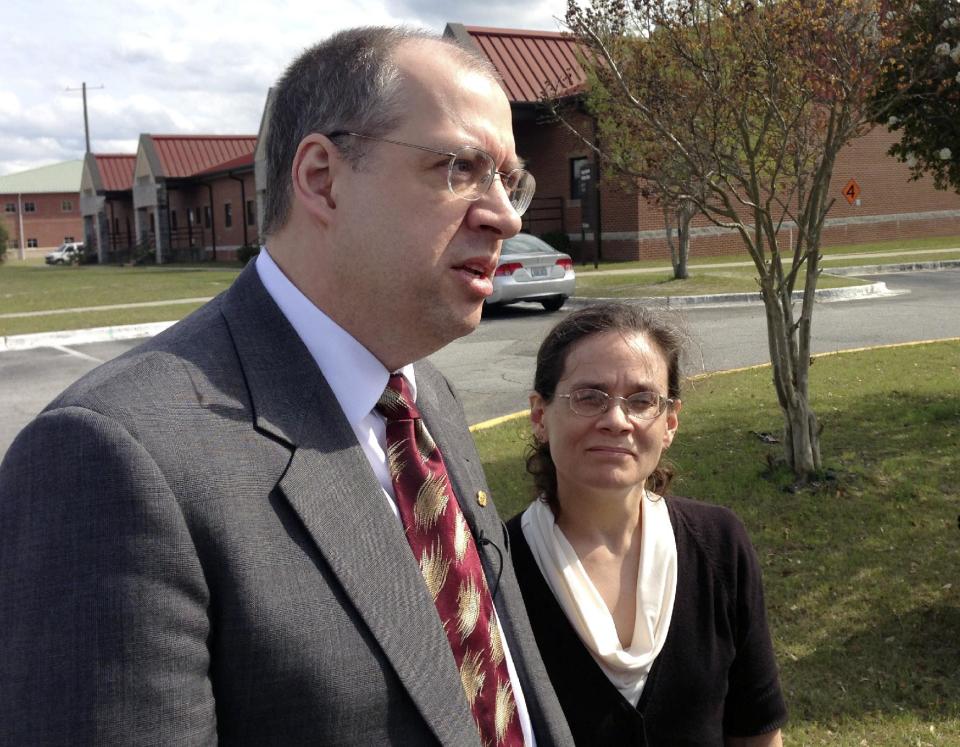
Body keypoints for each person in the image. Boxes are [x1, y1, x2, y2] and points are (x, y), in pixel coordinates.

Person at [0, 27, 574, 746]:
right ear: (322, 179)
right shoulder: (108, 458)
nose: (508, 215)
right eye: (460, 167)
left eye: (509, 179)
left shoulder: (424, 396)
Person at [507, 303, 787, 745]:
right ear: (540, 415)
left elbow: (755, 731)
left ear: (670, 422)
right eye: (589, 397)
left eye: (642, 401)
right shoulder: (496, 571)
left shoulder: (719, 544)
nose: (617, 421)